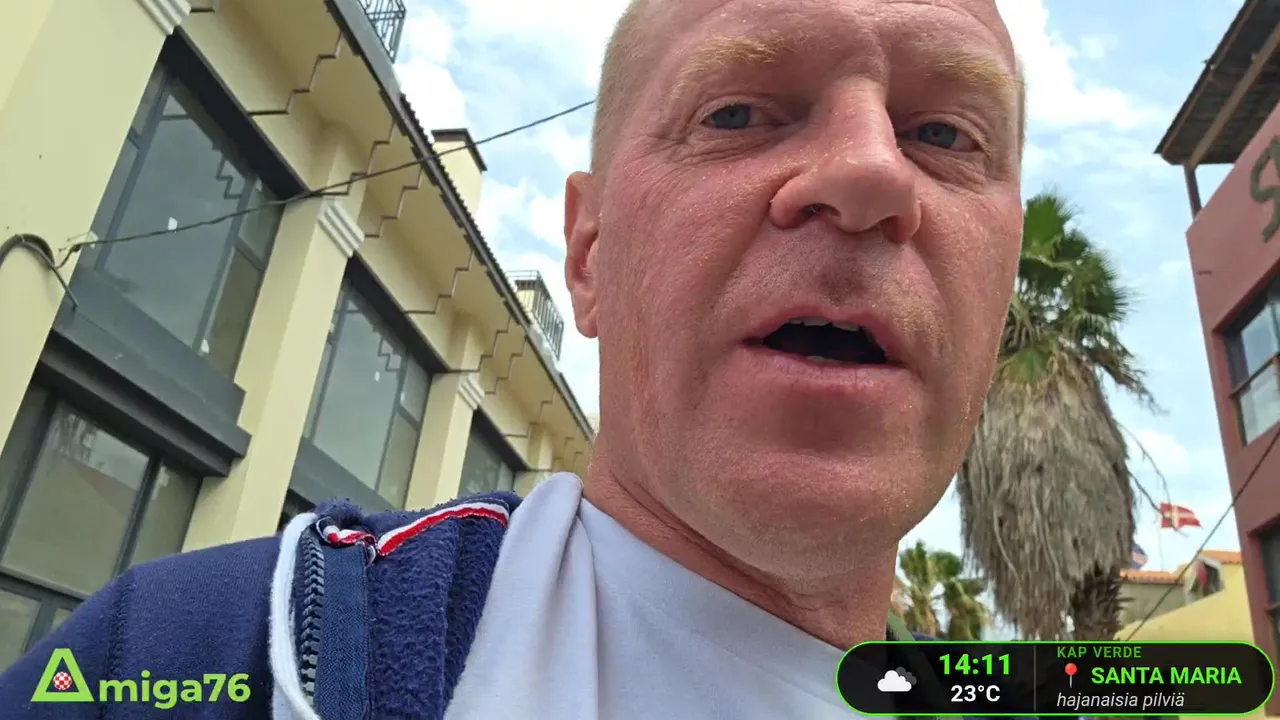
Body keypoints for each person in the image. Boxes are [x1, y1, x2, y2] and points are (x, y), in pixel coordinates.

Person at [0, 0, 1026, 716]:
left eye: (944, 133)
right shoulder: (182, 656)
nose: (867, 171)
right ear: (588, 256)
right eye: (736, 113)